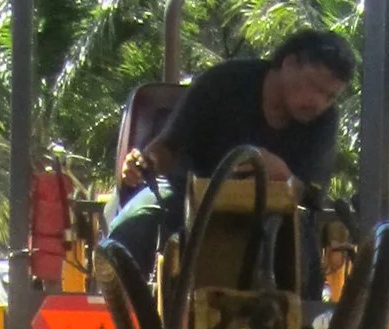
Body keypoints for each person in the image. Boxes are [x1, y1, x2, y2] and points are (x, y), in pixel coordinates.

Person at [102, 26, 355, 278]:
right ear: (289, 63)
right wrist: (145, 162)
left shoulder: (324, 122)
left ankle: (294, 313)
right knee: (137, 223)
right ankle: (123, 301)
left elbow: (309, 195)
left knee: (300, 246)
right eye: (314, 87)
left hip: (271, 211)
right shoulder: (224, 81)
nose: (318, 103)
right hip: (193, 196)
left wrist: (283, 176)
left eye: (329, 96)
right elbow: (168, 146)